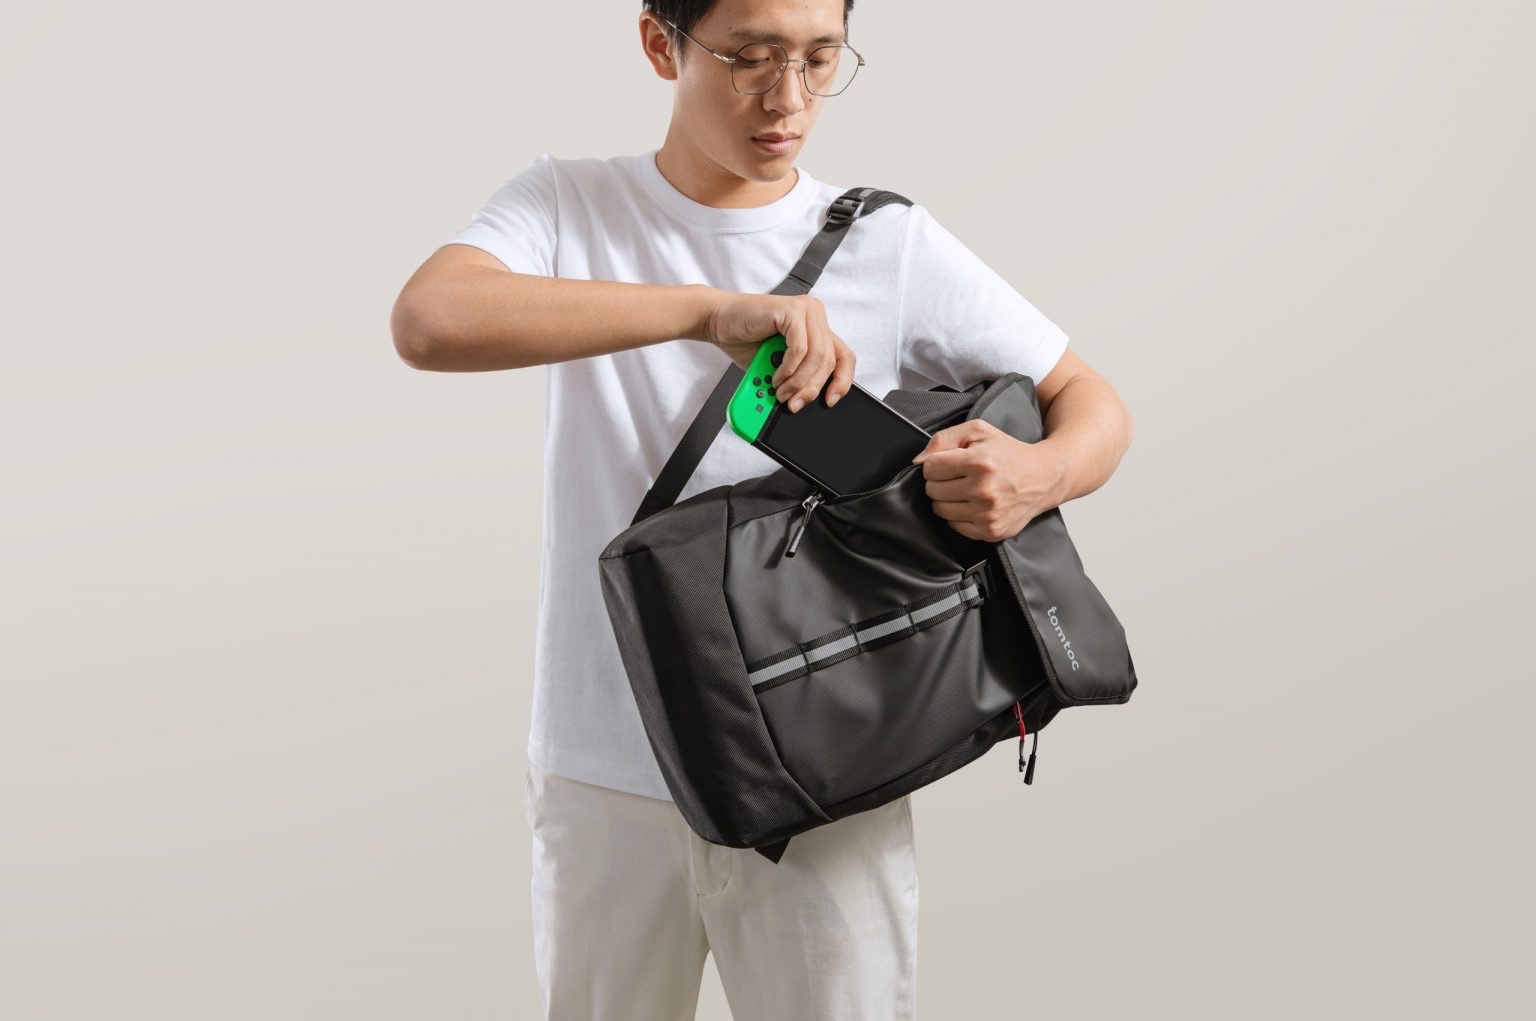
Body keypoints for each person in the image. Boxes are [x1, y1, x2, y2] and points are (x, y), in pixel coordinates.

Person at [389, 1, 1134, 1016]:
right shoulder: (569, 205)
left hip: (826, 765)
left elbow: (1092, 403)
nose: (789, 99)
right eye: (749, 57)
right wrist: (708, 313)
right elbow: (429, 320)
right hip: (604, 768)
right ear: (661, 44)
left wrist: (1040, 475)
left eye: (821, 58)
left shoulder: (885, 242)